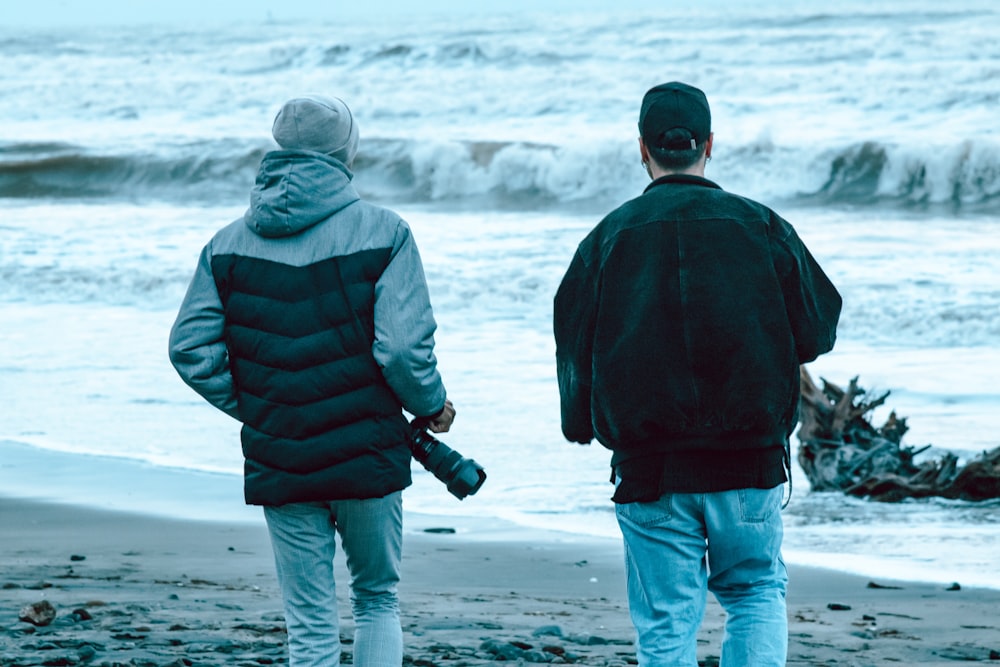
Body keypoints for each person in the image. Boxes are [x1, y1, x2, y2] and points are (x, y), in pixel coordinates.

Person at [553, 82, 842, 666]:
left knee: (666, 623)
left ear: (642, 148)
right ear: (710, 144)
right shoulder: (760, 226)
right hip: (750, 458)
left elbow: (572, 343)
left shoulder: (606, 239)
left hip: (649, 467)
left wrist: (579, 421)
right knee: (756, 592)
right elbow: (818, 330)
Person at [168, 94, 455, 667]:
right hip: (366, 447)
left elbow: (189, 349)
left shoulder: (225, 244)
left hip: (282, 449)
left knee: (308, 620)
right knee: (376, 599)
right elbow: (401, 349)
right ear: (347, 150)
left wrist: (261, 403)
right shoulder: (386, 231)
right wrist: (433, 405)